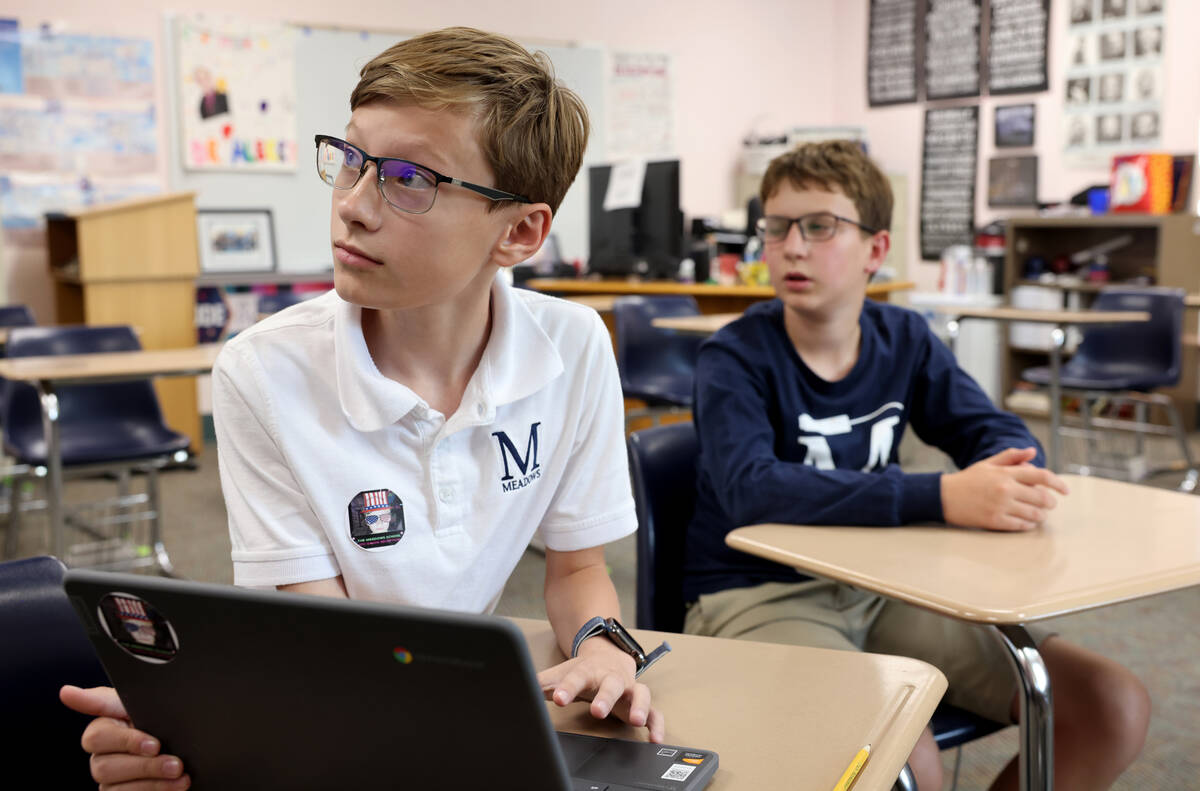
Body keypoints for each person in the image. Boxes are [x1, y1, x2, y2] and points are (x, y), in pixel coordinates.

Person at [61, 27, 665, 790]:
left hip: (433, 704)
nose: (352, 205)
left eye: (408, 177)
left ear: (518, 232)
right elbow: (335, 651)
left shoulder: (573, 347)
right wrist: (221, 721)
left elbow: (578, 568)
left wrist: (603, 645)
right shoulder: (263, 372)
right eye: (352, 159)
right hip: (361, 712)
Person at [681, 140, 1150, 790]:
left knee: (1109, 705)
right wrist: (944, 496)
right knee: (905, 754)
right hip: (759, 593)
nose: (791, 245)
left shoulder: (904, 339)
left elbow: (995, 430)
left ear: (876, 249)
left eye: (819, 226)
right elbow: (751, 491)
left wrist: (1010, 472)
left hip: (882, 582)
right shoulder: (733, 357)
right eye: (777, 226)